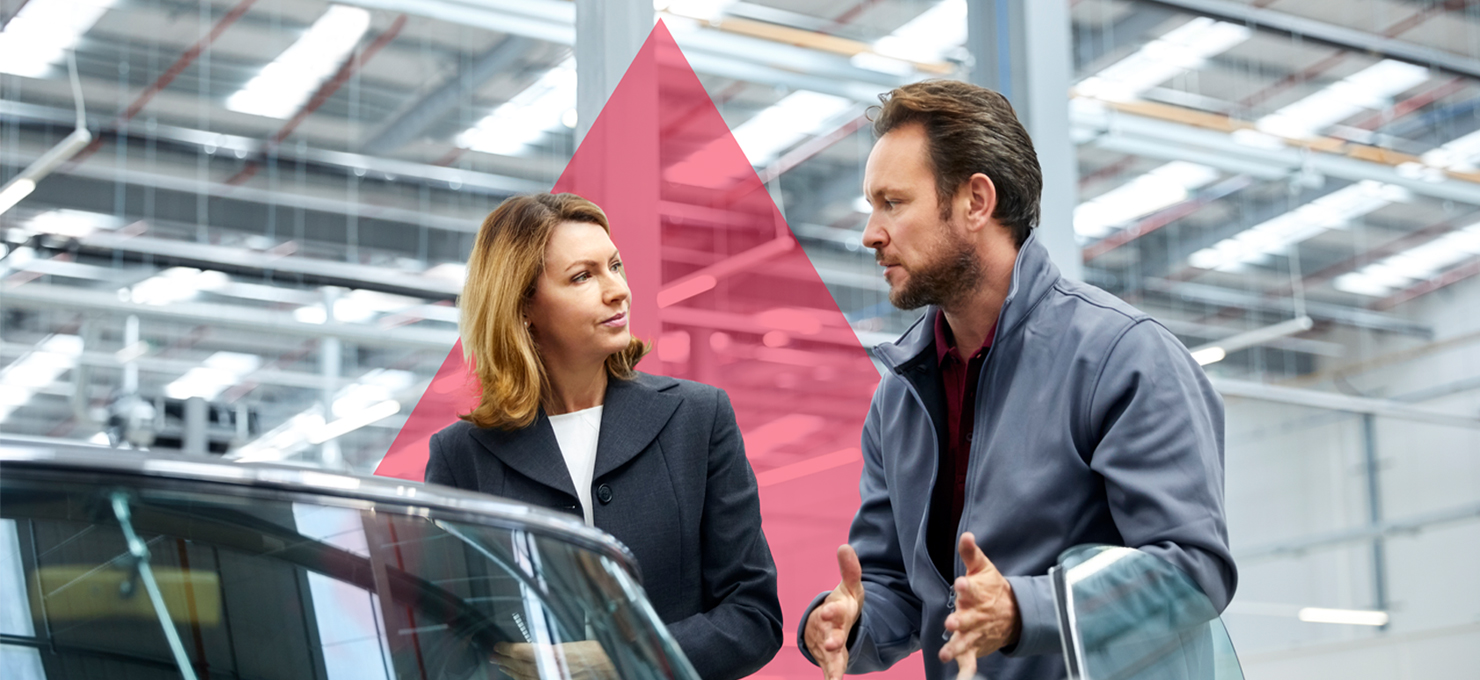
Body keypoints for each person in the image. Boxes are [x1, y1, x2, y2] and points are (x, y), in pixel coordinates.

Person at [798, 80, 1237, 680]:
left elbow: (1192, 572)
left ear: (976, 202)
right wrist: (849, 623)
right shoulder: (899, 397)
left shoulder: (1123, 357)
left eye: (892, 203)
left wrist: (1025, 610)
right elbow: (895, 586)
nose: (871, 233)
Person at [426, 192, 782, 680]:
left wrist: (622, 663)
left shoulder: (698, 418)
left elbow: (754, 618)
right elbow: (445, 642)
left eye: (615, 266)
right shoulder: (461, 455)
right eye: (583, 276)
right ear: (523, 305)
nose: (617, 290)